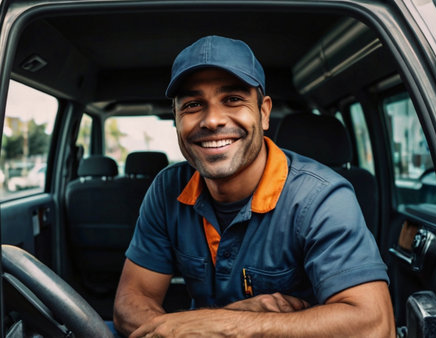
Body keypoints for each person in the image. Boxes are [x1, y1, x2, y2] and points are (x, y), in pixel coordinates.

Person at [113, 35, 395, 337]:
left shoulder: (320, 197)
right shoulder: (167, 189)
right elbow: (130, 302)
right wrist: (226, 319)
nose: (212, 120)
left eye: (233, 99)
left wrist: (226, 325)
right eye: (193, 105)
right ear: (177, 120)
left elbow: (375, 326)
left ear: (263, 113)